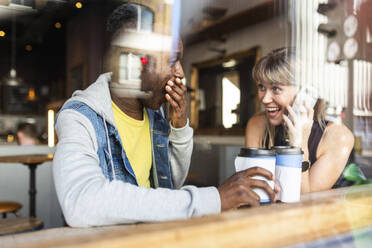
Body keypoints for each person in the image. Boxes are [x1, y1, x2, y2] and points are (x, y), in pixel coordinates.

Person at [53, 3, 275, 227]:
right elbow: (81, 203)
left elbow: (169, 186)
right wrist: (214, 199)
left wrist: (179, 127)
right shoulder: (79, 117)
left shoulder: (155, 113)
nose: (180, 72)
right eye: (171, 61)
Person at [245, 47, 354, 193]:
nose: (265, 99)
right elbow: (254, 189)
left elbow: (304, 200)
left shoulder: (338, 137)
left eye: (276, 89)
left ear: (306, 93)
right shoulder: (257, 125)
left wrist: (299, 143)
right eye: (262, 87)